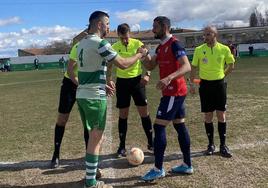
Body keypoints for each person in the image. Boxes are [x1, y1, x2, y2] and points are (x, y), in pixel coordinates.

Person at [67, 11, 148, 188]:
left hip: (83, 95)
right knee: (96, 137)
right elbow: (124, 64)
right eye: (108, 24)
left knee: (94, 137)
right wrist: (140, 55)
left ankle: (92, 172)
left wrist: (100, 83)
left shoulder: (81, 43)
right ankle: (91, 182)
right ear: (99, 25)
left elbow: (83, 70)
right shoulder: (100, 43)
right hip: (94, 98)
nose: (109, 28)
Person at [141, 16, 193, 182]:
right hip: (172, 92)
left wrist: (169, 78)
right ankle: (187, 165)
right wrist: (143, 55)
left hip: (174, 92)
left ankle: (158, 169)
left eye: (155, 26)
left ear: (164, 27)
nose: (153, 29)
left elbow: (186, 66)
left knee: (159, 127)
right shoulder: (160, 47)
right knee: (179, 125)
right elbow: (150, 66)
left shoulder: (175, 44)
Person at [107, 23, 153, 157]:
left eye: (126, 37)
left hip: (137, 82)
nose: (125, 40)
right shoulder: (114, 47)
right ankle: (121, 146)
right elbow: (109, 66)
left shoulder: (138, 44)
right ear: (118, 36)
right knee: (123, 115)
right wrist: (109, 79)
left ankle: (151, 143)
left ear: (130, 34)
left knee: (144, 112)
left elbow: (149, 62)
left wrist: (147, 75)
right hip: (122, 83)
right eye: (122, 38)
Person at [190, 26, 235, 158]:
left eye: (208, 34)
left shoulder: (224, 49)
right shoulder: (199, 50)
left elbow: (231, 65)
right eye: (204, 35)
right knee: (208, 115)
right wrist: (192, 83)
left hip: (219, 85)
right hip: (205, 86)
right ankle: (210, 145)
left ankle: (223, 145)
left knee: (221, 115)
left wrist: (222, 75)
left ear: (215, 35)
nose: (205, 37)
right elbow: (193, 67)